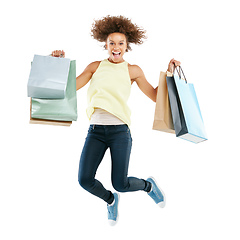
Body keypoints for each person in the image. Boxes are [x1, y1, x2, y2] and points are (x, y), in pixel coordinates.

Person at [52, 15, 181, 226]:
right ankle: (110, 200)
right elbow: (71, 88)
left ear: (127, 46)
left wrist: (170, 72)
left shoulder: (133, 71)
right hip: (95, 132)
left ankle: (148, 186)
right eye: (112, 43)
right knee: (85, 180)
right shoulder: (95, 67)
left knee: (120, 183)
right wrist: (56, 63)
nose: (116, 47)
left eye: (121, 43)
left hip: (120, 133)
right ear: (105, 44)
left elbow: (156, 96)